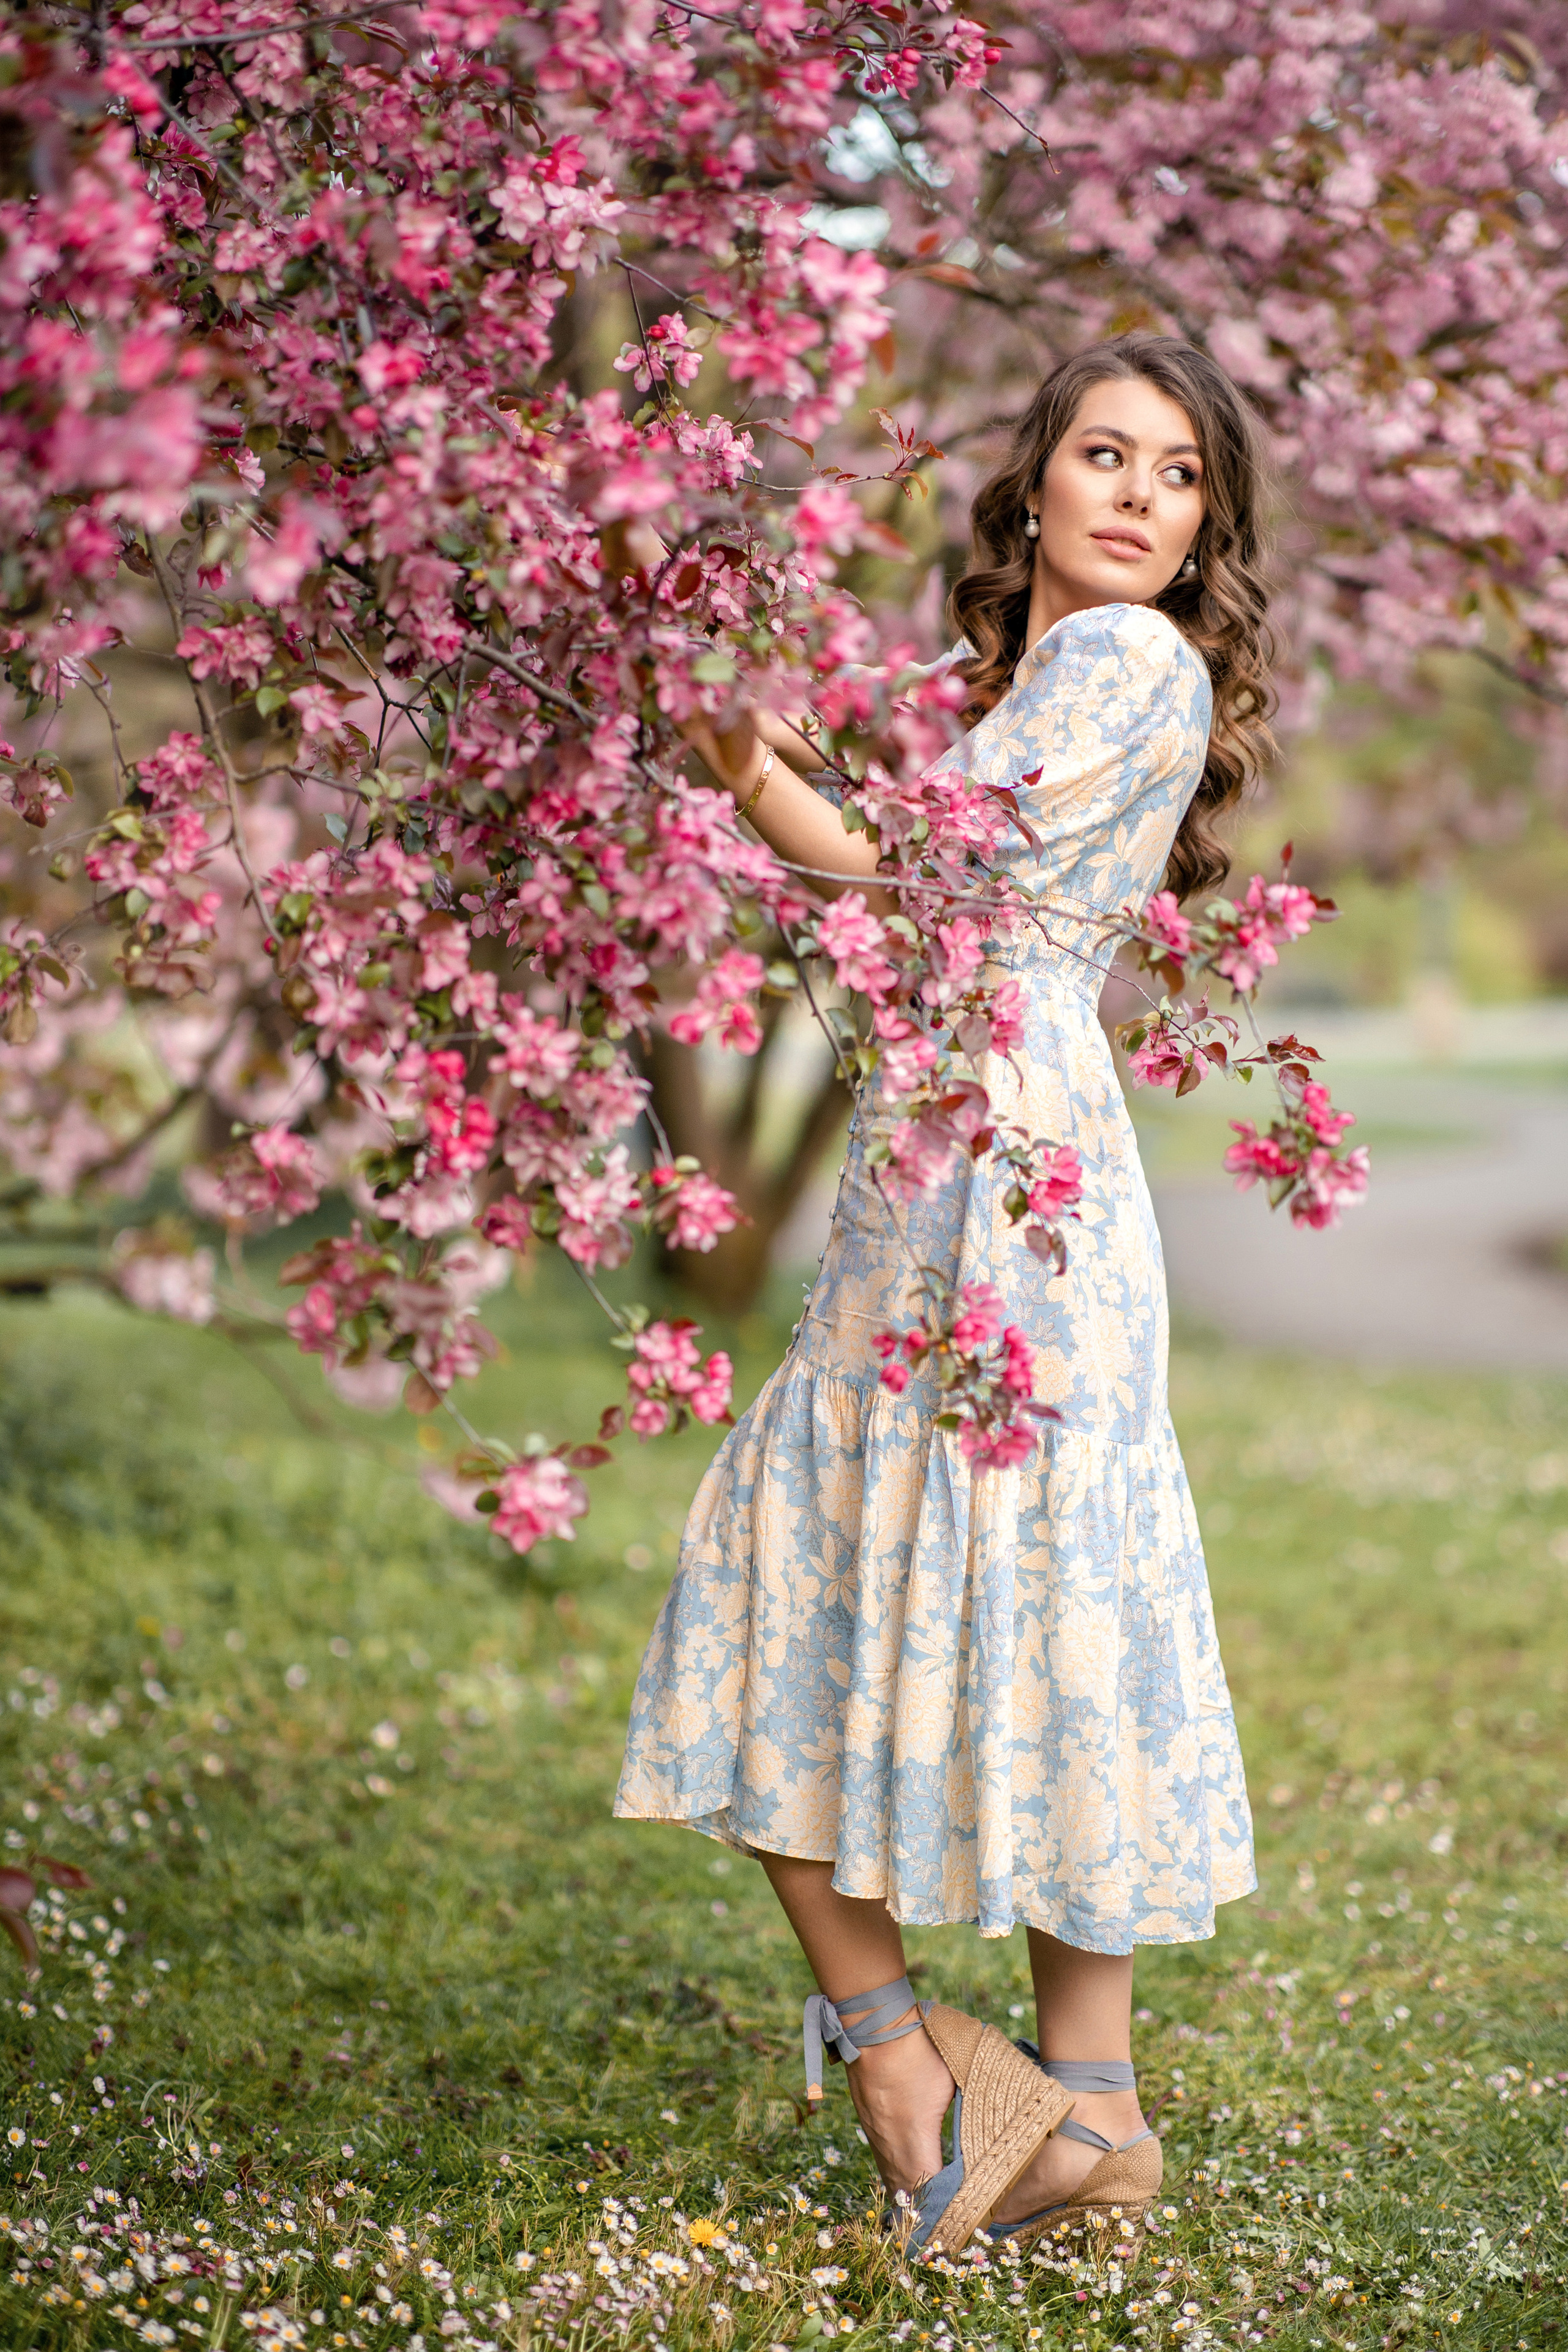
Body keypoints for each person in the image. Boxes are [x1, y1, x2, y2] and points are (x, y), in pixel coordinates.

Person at [614, 334, 1276, 2253]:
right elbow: (879, 869)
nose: (1142, 494)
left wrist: (749, 746)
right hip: (970, 1146)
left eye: (1179, 476)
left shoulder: (1131, 660)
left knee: (864, 1570)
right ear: (1040, 485)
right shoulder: (1032, 676)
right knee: (869, 1561)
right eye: (1105, 454)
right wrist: (743, 749)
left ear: (1201, 528)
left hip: (1016, 1179)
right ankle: (1080, 2111)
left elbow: (907, 864)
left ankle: (933, 2066)